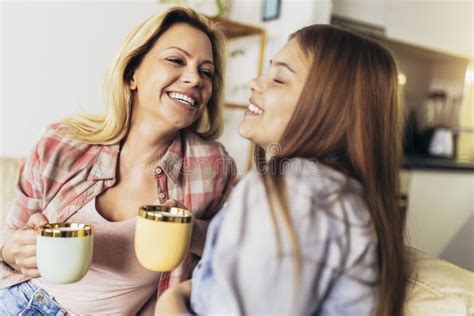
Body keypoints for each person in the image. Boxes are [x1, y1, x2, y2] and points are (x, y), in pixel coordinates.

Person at [155, 24, 409, 316]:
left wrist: (168, 304)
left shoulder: (291, 191)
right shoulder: (335, 191)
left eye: (278, 79)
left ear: (328, 107)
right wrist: (187, 278)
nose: (254, 83)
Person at [0, 7, 235, 315]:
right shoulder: (62, 142)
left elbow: (234, 258)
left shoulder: (212, 167)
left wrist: (192, 233)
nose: (194, 79)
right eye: (176, 60)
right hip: (18, 300)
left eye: (206, 72)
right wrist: (12, 249)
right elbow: (11, 236)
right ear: (132, 73)